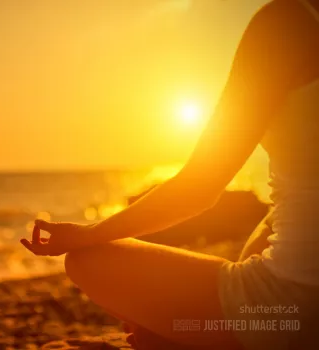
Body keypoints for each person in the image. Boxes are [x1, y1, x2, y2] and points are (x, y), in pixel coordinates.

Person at [21, 0, 319, 349]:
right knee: (271, 221)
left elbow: (200, 187)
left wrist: (86, 235)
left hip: (294, 312)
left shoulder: (286, 23)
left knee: (88, 262)